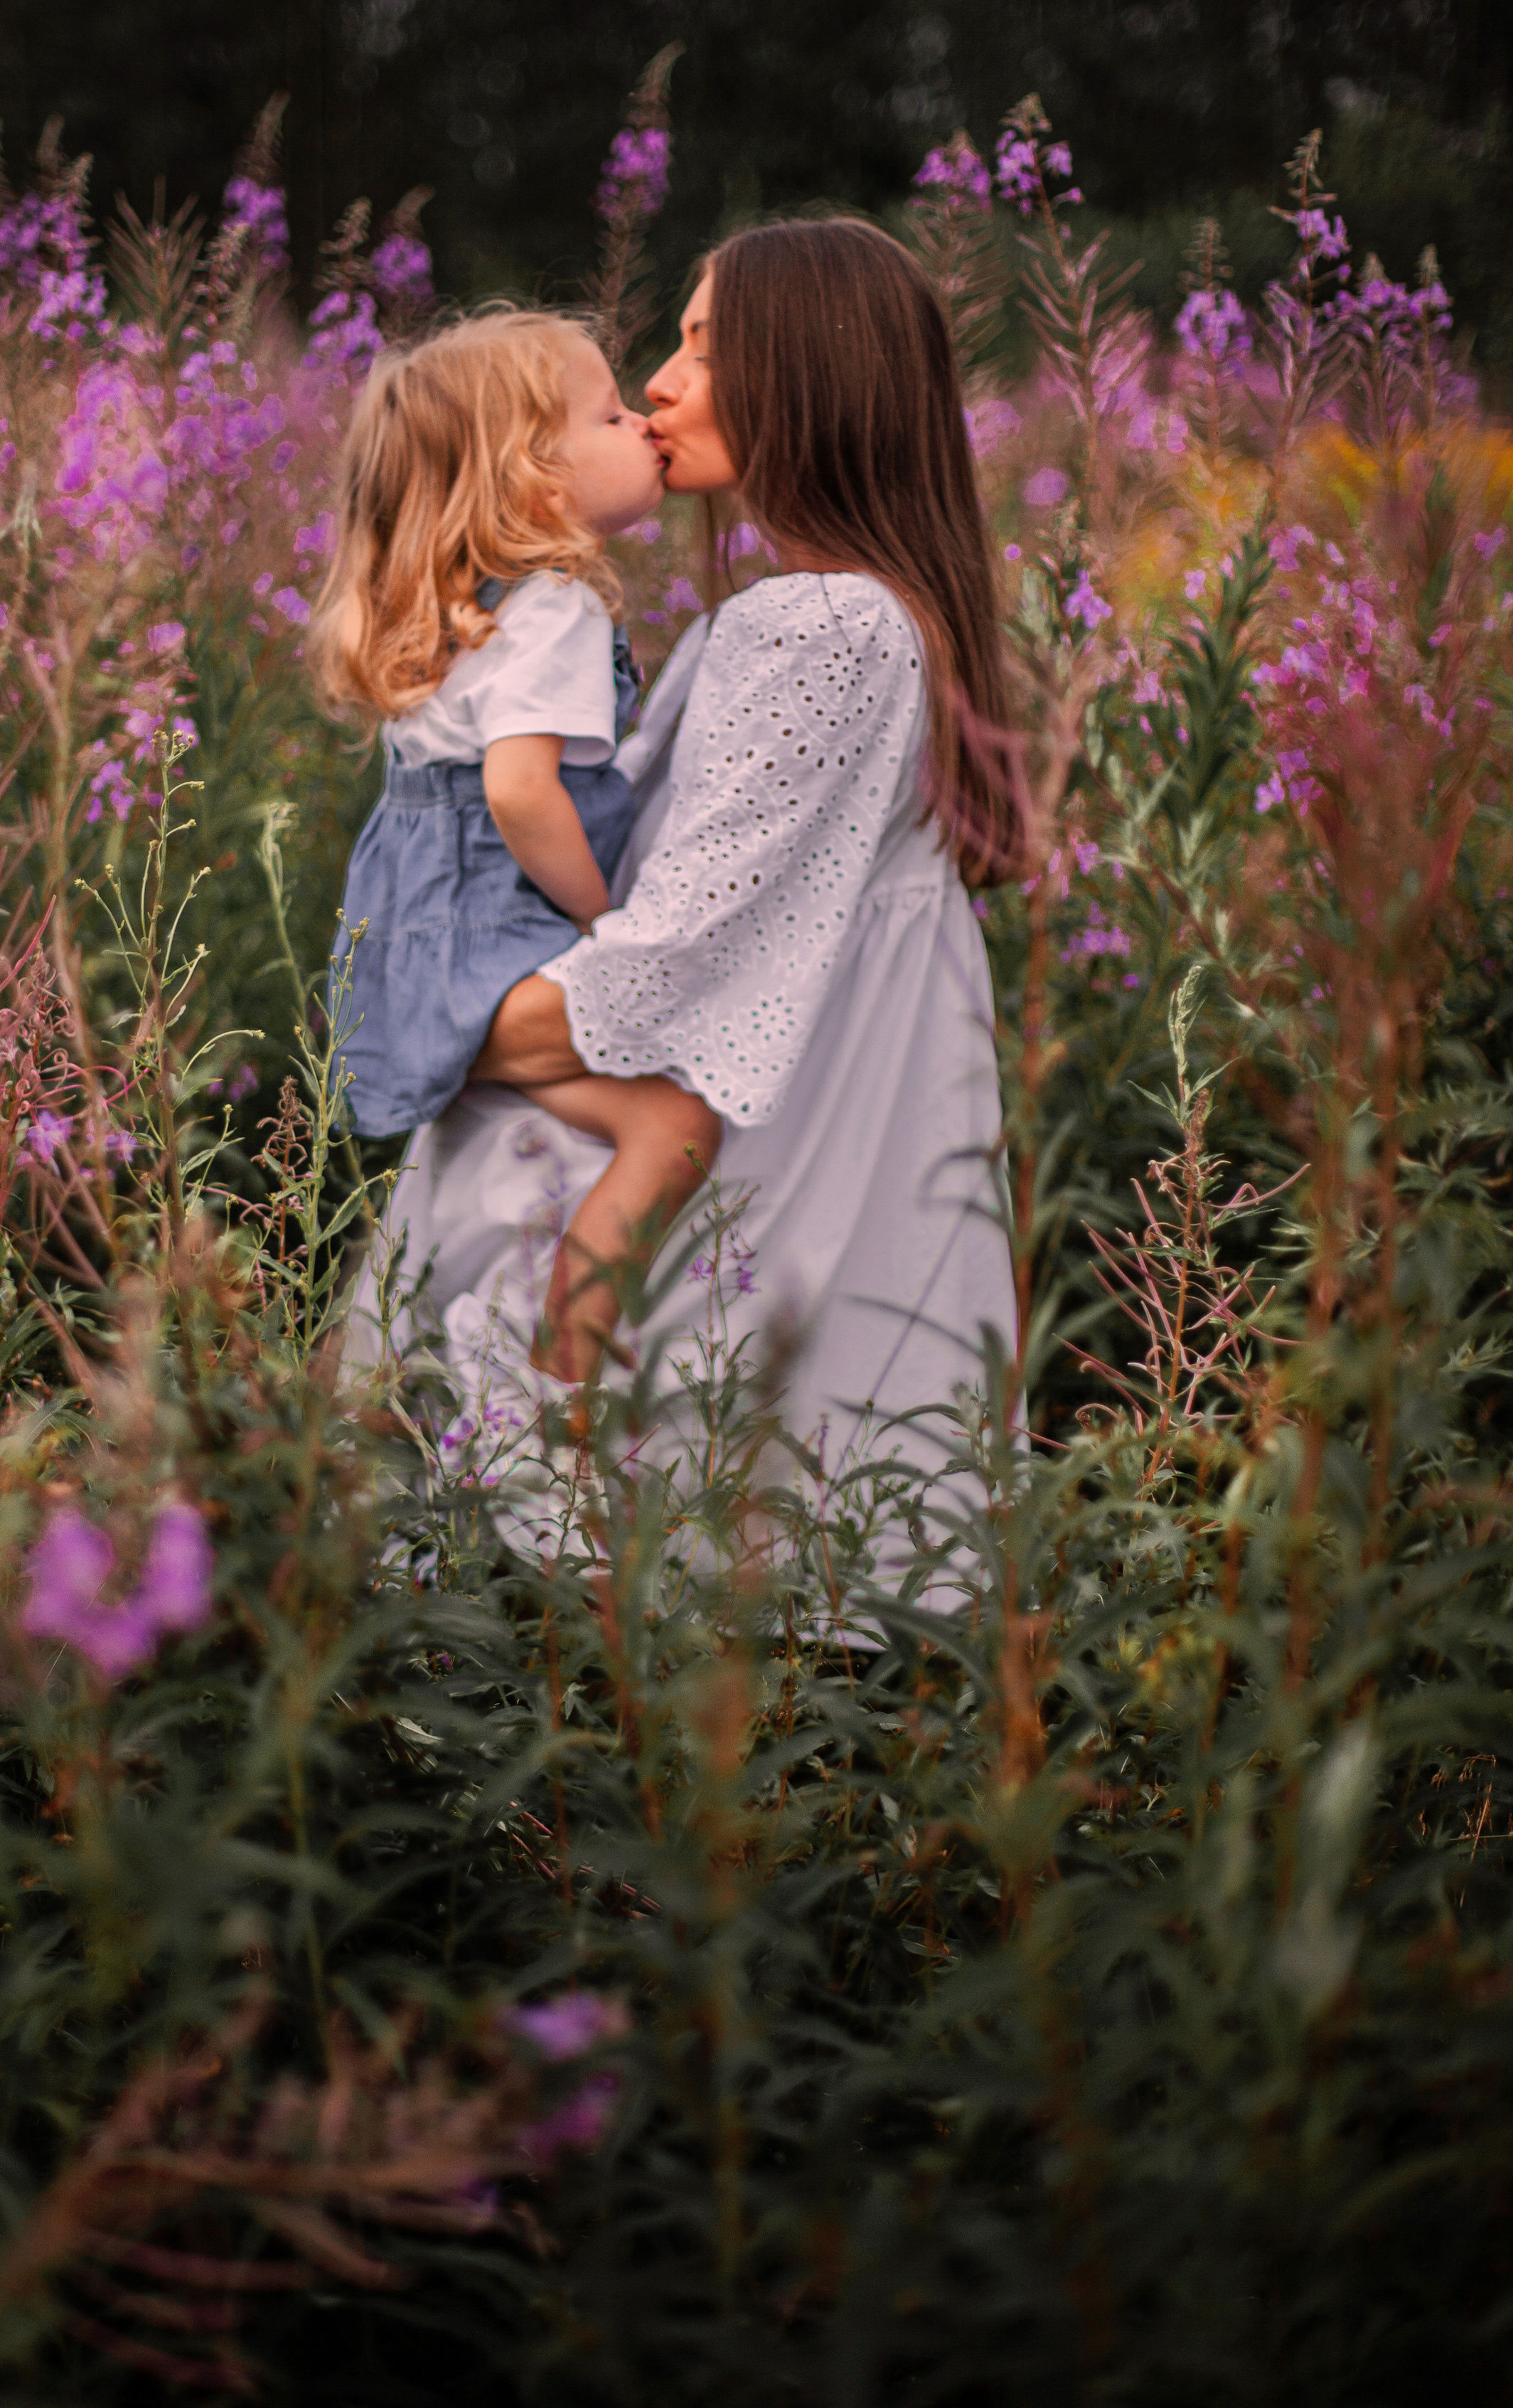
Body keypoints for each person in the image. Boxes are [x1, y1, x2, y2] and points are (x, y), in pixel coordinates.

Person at [365, 220, 1025, 1561]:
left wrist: (426, 1017)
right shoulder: (817, 616)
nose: (659, 385)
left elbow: (663, 967)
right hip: (827, 1172)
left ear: (811, 379)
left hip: (784, 1194)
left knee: (671, 1583)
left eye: (705, 349)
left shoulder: (823, 626)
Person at [310, 309, 722, 1378]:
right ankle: (560, 1379)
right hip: (494, 950)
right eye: (610, 415)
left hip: (418, 951)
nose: (642, 421)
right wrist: (605, 921)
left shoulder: (465, 611)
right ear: (536, 480)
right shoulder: (555, 611)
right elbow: (520, 792)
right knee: (676, 1125)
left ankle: (362, 1394)